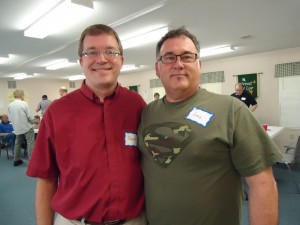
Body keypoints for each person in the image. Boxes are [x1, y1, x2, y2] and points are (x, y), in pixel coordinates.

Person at [137, 27, 282, 225]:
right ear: (157, 68)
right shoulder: (147, 113)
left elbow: (263, 184)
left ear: (199, 64)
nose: (178, 64)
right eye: (169, 57)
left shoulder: (231, 109)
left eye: (187, 57)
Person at [26, 24, 147, 225]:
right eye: (92, 52)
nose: (101, 59)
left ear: (121, 60)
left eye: (110, 51)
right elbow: (46, 180)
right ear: (81, 61)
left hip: (133, 220)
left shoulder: (137, 105)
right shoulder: (57, 112)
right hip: (74, 221)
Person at [8, 89, 35, 166]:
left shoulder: (10, 105)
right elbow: (30, 116)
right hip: (27, 127)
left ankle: (16, 160)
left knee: (17, 143)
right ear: (21, 96)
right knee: (30, 144)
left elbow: (11, 117)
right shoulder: (24, 104)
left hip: (17, 127)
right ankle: (32, 161)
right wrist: (34, 122)